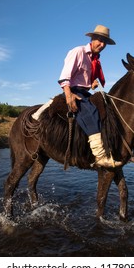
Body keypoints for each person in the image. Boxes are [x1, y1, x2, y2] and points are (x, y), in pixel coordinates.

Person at [33, 25, 121, 168]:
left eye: (105, 42)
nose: (102, 44)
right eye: (99, 40)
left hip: (84, 91)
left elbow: (82, 77)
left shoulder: (95, 59)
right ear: (92, 39)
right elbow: (65, 76)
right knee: (90, 112)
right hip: (73, 90)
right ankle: (100, 155)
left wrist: (91, 83)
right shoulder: (78, 52)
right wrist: (68, 94)